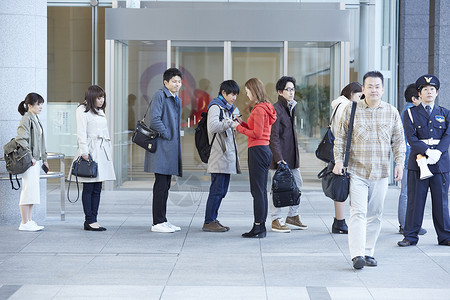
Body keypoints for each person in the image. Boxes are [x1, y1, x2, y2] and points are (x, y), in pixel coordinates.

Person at [333, 71, 405, 269]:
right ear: (363, 89)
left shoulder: (391, 111)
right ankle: (357, 255)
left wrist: (399, 163)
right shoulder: (352, 109)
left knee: (376, 213)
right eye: (369, 86)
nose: (374, 89)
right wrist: (339, 161)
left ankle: (368, 252)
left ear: (382, 89)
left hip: (381, 172)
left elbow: (399, 141)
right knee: (358, 212)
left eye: (377, 86)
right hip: (357, 171)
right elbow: (340, 137)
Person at [398, 74, 450, 247]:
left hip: (440, 163)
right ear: (419, 94)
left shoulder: (445, 113)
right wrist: (427, 151)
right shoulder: (411, 113)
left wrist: (438, 152)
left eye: (432, 89)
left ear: (437, 93)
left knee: (441, 202)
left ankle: (445, 236)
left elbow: (448, 136)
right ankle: (410, 236)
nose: (429, 92)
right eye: (425, 89)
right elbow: (411, 138)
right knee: (415, 201)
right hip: (419, 162)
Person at [234, 78, 277, 238]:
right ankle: (259, 226)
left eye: (247, 91)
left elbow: (257, 134)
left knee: (257, 191)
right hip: (263, 149)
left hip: (258, 151)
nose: (247, 94)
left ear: (254, 90)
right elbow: (257, 130)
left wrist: (237, 127)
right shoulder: (266, 108)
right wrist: (242, 123)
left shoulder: (259, 109)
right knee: (260, 191)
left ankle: (259, 227)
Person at [144, 67, 183, 233]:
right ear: (165, 82)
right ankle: (157, 222)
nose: (177, 84)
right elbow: (154, 120)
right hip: (161, 147)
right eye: (174, 81)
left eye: (179, 81)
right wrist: (167, 134)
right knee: (160, 184)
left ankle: (163, 220)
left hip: (169, 147)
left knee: (166, 184)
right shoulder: (160, 95)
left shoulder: (176, 98)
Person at [72, 85, 116, 231]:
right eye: (99, 97)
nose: (102, 100)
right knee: (89, 187)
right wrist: (84, 152)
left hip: (101, 152)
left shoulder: (99, 111)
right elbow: (81, 132)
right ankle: (89, 220)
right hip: (90, 151)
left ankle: (94, 219)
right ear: (91, 97)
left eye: (103, 97)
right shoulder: (82, 109)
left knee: (97, 187)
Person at [268, 76, 307, 233]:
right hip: (280, 159)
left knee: (297, 184)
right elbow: (273, 137)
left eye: (293, 89)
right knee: (277, 188)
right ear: (280, 92)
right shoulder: (276, 109)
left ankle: (293, 215)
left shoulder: (290, 107)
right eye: (288, 89)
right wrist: (279, 159)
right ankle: (276, 219)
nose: (291, 92)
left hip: (291, 157)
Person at [202, 80, 241, 232]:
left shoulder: (227, 108)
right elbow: (212, 127)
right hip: (218, 155)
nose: (234, 97)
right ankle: (209, 221)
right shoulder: (215, 106)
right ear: (223, 93)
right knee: (217, 190)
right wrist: (229, 123)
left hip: (225, 155)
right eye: (231, 94)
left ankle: (213, 218)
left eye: (236, 94)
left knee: (222, 190)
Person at [329, 82, 362, 234]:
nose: (361, 99)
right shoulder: (346, 106)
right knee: (344, 186)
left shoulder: (338, 104)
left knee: (341, 185)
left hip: (339, 150)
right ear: (351, 93)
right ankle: (340, 221)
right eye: (359, 95)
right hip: (345, 153)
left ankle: (339, 221)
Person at [16, 93, 48, 231]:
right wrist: (31, 157)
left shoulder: (35, 118)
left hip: (36, 161)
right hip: (30, 161)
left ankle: (29, 220)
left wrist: (44, 159)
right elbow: (21, 139)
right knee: (28, 189)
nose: (41, 107)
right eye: (38, 104)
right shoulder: (26, 119)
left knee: (32, 190)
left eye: (41, 104)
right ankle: (24, 222)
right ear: (30, 105)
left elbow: (41, 142)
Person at [397, 84, 426, 235]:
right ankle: (406, 225)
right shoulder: (410, 112)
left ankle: (407, 224)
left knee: (409, 192)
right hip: (409, 157)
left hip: (410, 156)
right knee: (407, 192)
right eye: (421, 96)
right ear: (414, 98)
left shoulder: (407, 111)